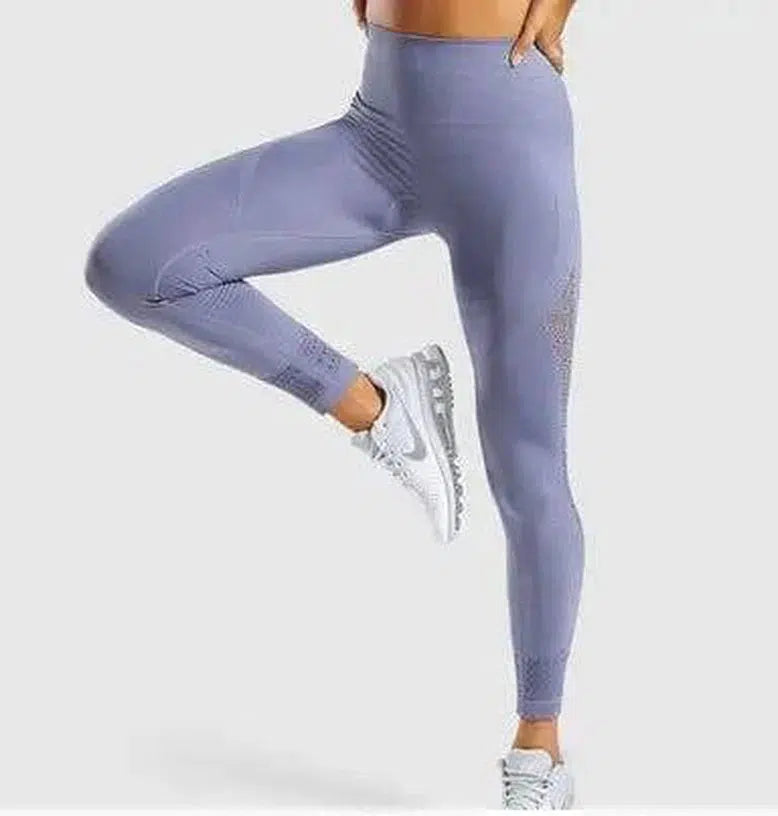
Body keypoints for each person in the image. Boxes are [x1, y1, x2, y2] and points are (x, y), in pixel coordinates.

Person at [84, 0, 583, 808]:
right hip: (378, 132)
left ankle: (540, 748)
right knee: (135, 261)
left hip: (511, 138)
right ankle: (379, 408)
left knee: (529, 470)